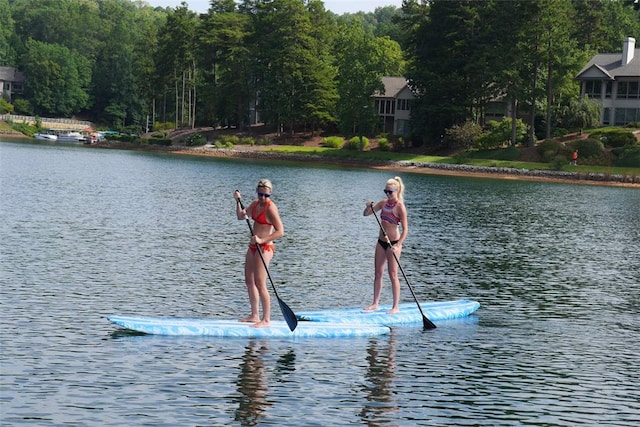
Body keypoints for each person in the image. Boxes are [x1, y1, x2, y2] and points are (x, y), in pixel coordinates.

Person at [234, 179, 284, 327]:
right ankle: (254, 315)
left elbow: (281, 232)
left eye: (266, 195)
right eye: (260, 194)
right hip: (253, 246)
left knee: (260, 283)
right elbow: (241, 216)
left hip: (265, 247)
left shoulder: (271, 208)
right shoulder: (255, 204)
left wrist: (262, 240)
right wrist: (237, 201)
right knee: (249, 280)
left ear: (270, 194)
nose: (263, 198)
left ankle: (266, 319)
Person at [363, 176, 408, 314]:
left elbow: (405, 230)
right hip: (381, 242)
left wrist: (398, 244)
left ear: (396, 191)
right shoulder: (383, 203)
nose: (388, 194)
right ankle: (375, 303)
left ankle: (395, 307)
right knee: (378, 273)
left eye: (390, 192)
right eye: (386, 191)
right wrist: (368, 207)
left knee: (393, 274)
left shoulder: (400, 207)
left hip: (393, 243)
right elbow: (366, 214)